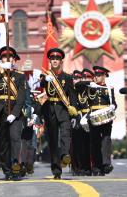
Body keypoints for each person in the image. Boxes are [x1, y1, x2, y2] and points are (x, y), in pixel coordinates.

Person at [0, 46, 26, 180]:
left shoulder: (19, 76)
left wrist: (15, 113)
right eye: (4, 57)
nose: (7, 59)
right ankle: (7, 170)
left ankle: (15, 165)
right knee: (3, 142)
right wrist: (0, 65)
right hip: (0, 111)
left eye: (10, 57)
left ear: (14, 60)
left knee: (14, 138)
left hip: (15, 111)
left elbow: (21, 97)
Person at [37, 48, 78, 179]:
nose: (55, 61)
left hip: (63, 109)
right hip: (50, 110)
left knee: (66, 133)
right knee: (53, 141)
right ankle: (56, 169)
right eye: (53, 59)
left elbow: (72, 95)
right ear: (50, 61)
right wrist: (46, 80)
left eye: (57, 59)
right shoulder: (46, 75)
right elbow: (41, 84)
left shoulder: (67, 77)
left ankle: (65, 154)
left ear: (61, 61)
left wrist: (75, 113)